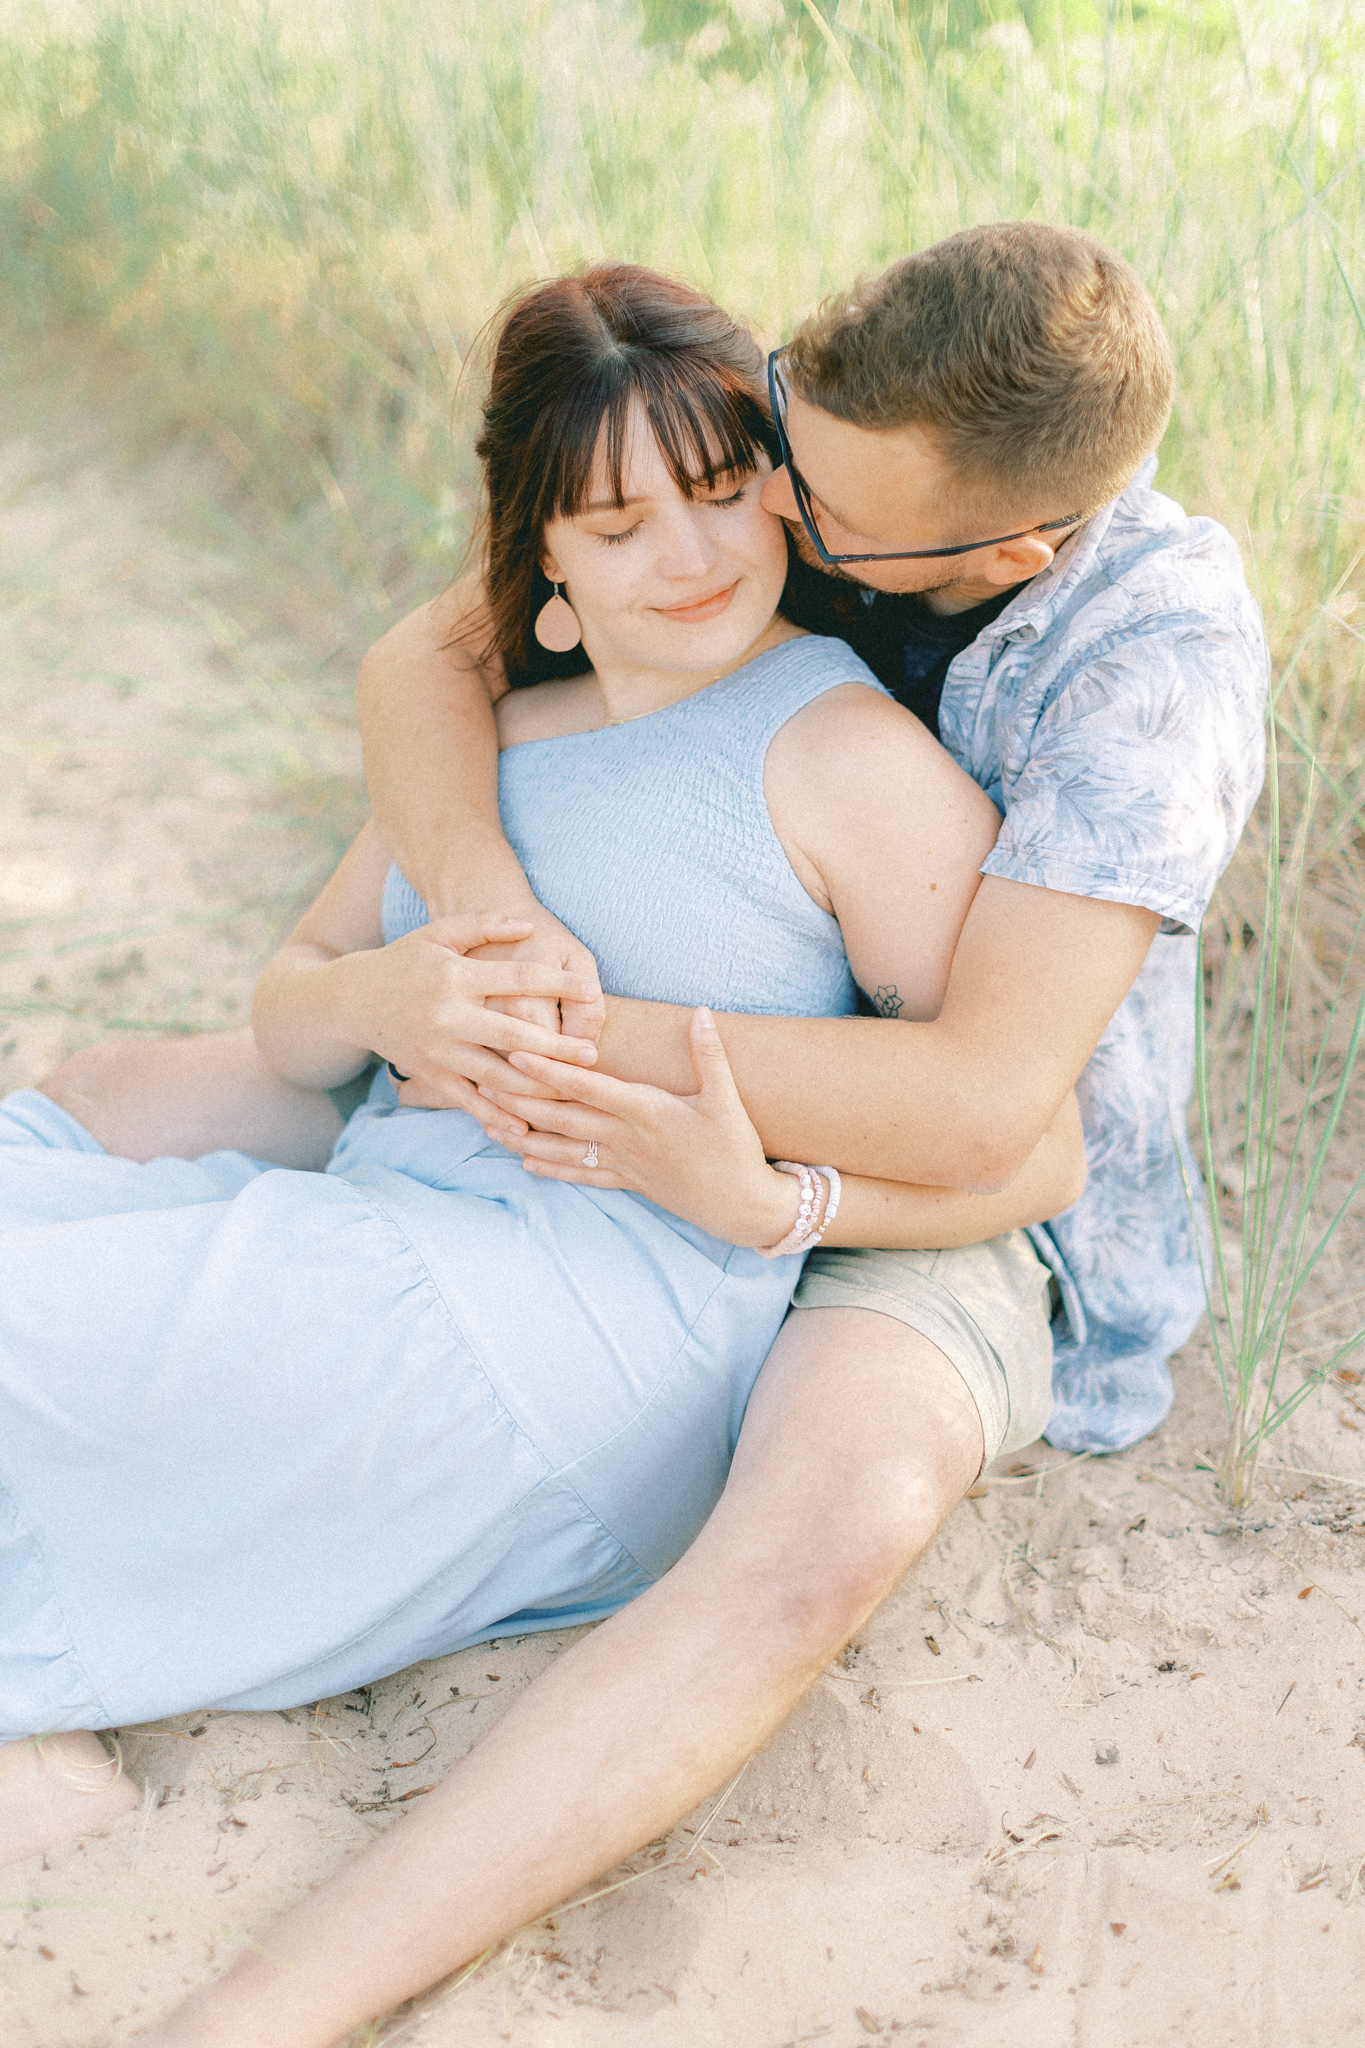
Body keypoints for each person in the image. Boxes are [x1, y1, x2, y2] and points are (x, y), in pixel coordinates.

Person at [93, 221, 1261, 2046]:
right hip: (638, 1079)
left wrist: (594, 1056)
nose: (757, 515)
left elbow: (986, 1116)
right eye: (771, 436)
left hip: (959, 1190)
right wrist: (473, 931)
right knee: (113, 1106)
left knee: (821, 1531)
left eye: (789, 496)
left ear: (995, 556)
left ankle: (283, 1997)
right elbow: (433, 651)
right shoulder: (810, 452)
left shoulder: (1143, 681)